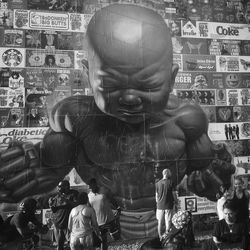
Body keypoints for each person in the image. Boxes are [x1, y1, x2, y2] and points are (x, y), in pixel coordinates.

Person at [0, 3, 235, 239]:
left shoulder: (187, 122)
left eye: (148, 84)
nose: (131, 98)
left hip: (162, 222)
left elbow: (209, 177)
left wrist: (211, 176)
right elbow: (46, 168)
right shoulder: (76, 120)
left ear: (171, 78)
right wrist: (34, 170)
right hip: (111, 224)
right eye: (111, 84)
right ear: (87, 74)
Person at [88, 178, 121, 250]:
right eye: (89, 187)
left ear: (95, 184)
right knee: (103, 241)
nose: (90, 188)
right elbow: (90, 208)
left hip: (110, 220)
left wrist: (118, 208)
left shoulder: (104, 190)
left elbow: (112, 199)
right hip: (99, 223)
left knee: (116, 238)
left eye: (91, 186)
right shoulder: (89, 196)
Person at [49, 180, 78, 250]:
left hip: (70, 224)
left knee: (73, 246)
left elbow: (77, 205)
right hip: (58, 225)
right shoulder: (57, 196)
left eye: (59, 186)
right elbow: (54, 210)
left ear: (66, 186)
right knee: (59, 246)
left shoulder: (74, 193)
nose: (58, 188)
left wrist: (66, 200)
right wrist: (50, 205)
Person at [155, 169, 178, 241]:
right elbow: (174, 194)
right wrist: (176, 201)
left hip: (159, 206)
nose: (170, 174)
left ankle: (160, 237)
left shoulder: (157, 183)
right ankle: (167, 239)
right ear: (167, 173)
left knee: (160, 222)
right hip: (168, 205)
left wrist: (158, 203)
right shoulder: (171, 182)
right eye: (170, 172)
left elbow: (156, 196)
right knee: (168, 222)